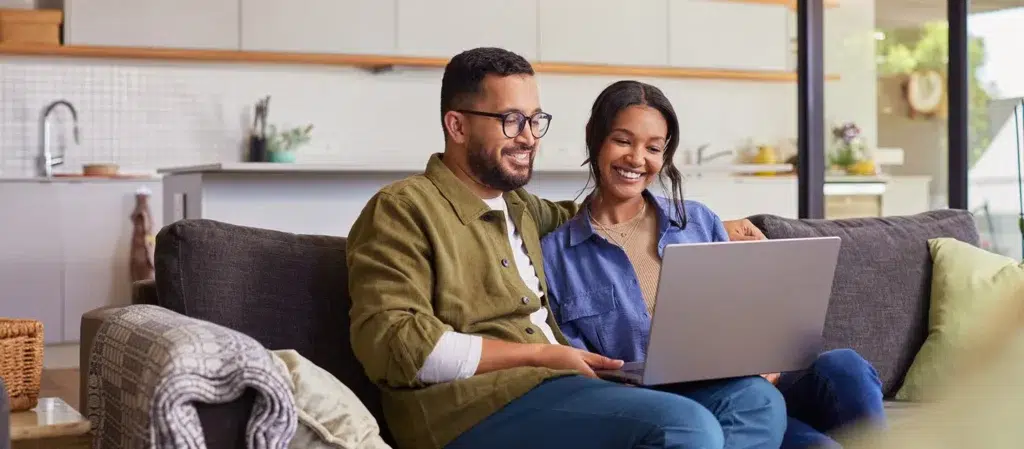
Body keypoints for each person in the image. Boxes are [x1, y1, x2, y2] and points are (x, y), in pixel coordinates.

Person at [346, 47, 788, 449]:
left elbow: (605, 216)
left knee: (756, 402)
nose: (528, 137)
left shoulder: (522, 209)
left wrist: (709, 226)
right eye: (510, 120)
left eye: (534, 120)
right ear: (457, 125)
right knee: (685, 427)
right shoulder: (403, 208)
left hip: (561, 389)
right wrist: (539, 353)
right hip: (468, 409)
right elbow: (393, 344)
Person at [539, 79, 887, 449]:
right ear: (594, 137)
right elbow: (585, 374)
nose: (637, 159)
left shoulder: (699, 222)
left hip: (751, 383)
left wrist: (767, 355)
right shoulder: (557, 256)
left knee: (845, 366)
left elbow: (746, 314)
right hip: (673, 405)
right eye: (623, 141)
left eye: (653, 148)